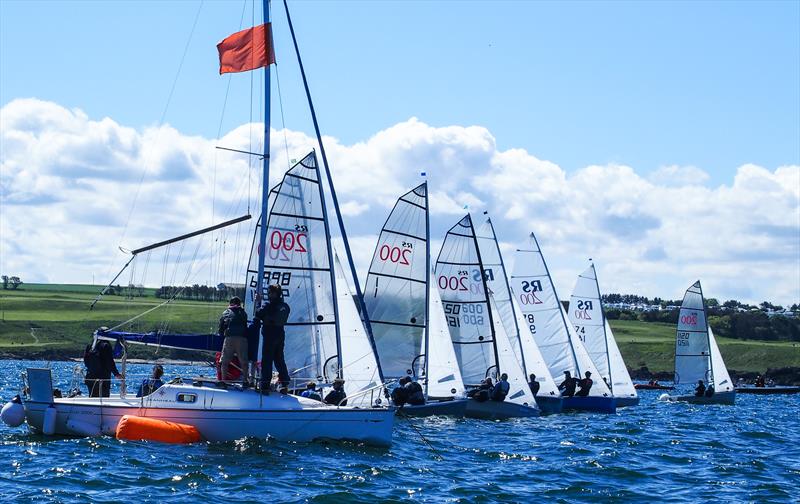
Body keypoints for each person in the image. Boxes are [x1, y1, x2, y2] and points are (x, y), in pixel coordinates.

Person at [255, 285, 291, 394]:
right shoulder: (285, 306)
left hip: (270, 334)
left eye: (270, 292)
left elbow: (258, 314)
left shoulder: (269, 305)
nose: (269, 294)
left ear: (274, 293)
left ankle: (265, 386)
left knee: (267, 360)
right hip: (280, 334)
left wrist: (258, 302)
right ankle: (285, 383)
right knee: (279, 359)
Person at [218, 297, 248, 383]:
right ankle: (245, 380)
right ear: (239, 304)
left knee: (224, 361)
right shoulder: (243, 313)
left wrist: (221, 334)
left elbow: (221, 327)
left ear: (230, 303)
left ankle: (223, 381)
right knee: (243, 361)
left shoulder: (226, 312)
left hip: (229, 338)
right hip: (242, 338)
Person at [245, 318, 261, 385]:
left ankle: (246, 379)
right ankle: (252, 381)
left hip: (249, 348)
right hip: (255, 349)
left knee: (247, 363)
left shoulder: (251, 327)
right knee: (253, 364)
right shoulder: (258, 329)